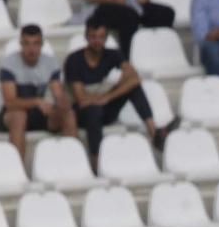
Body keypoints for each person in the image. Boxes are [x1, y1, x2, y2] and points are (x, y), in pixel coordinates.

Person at [63, 16, 179, 172]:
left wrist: (107, 97)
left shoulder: (114, 54)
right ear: (86, 36)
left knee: (134, 88)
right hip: (83, 114)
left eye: (101, 37)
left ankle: (154, 132)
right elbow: (81, 99)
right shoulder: (74, 60)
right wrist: (102, 96)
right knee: (93, 111)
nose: (97, 41)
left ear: (106, 37)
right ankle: (96, 163)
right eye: (93, 37)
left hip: (106, 105)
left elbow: (134, 78)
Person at [0, 25, 77, 161]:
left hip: (38, 113)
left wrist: (62, 103)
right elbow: (10, 102)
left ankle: (73, 164)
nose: (31, 49)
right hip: (13, 113)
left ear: (41, 45)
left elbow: (58, 93)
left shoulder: (50, 62)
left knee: (68, 114)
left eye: (35, 44)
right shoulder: (9, 64)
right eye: (27, 44)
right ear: (21, 44)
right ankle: (17, 170)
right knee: (19, 116)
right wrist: (37, 102)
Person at [74, 0, 175, 59]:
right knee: (128, 16)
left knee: (166, 13)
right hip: (104, 4)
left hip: (133, 3)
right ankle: (127, 60)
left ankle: (156, 55)